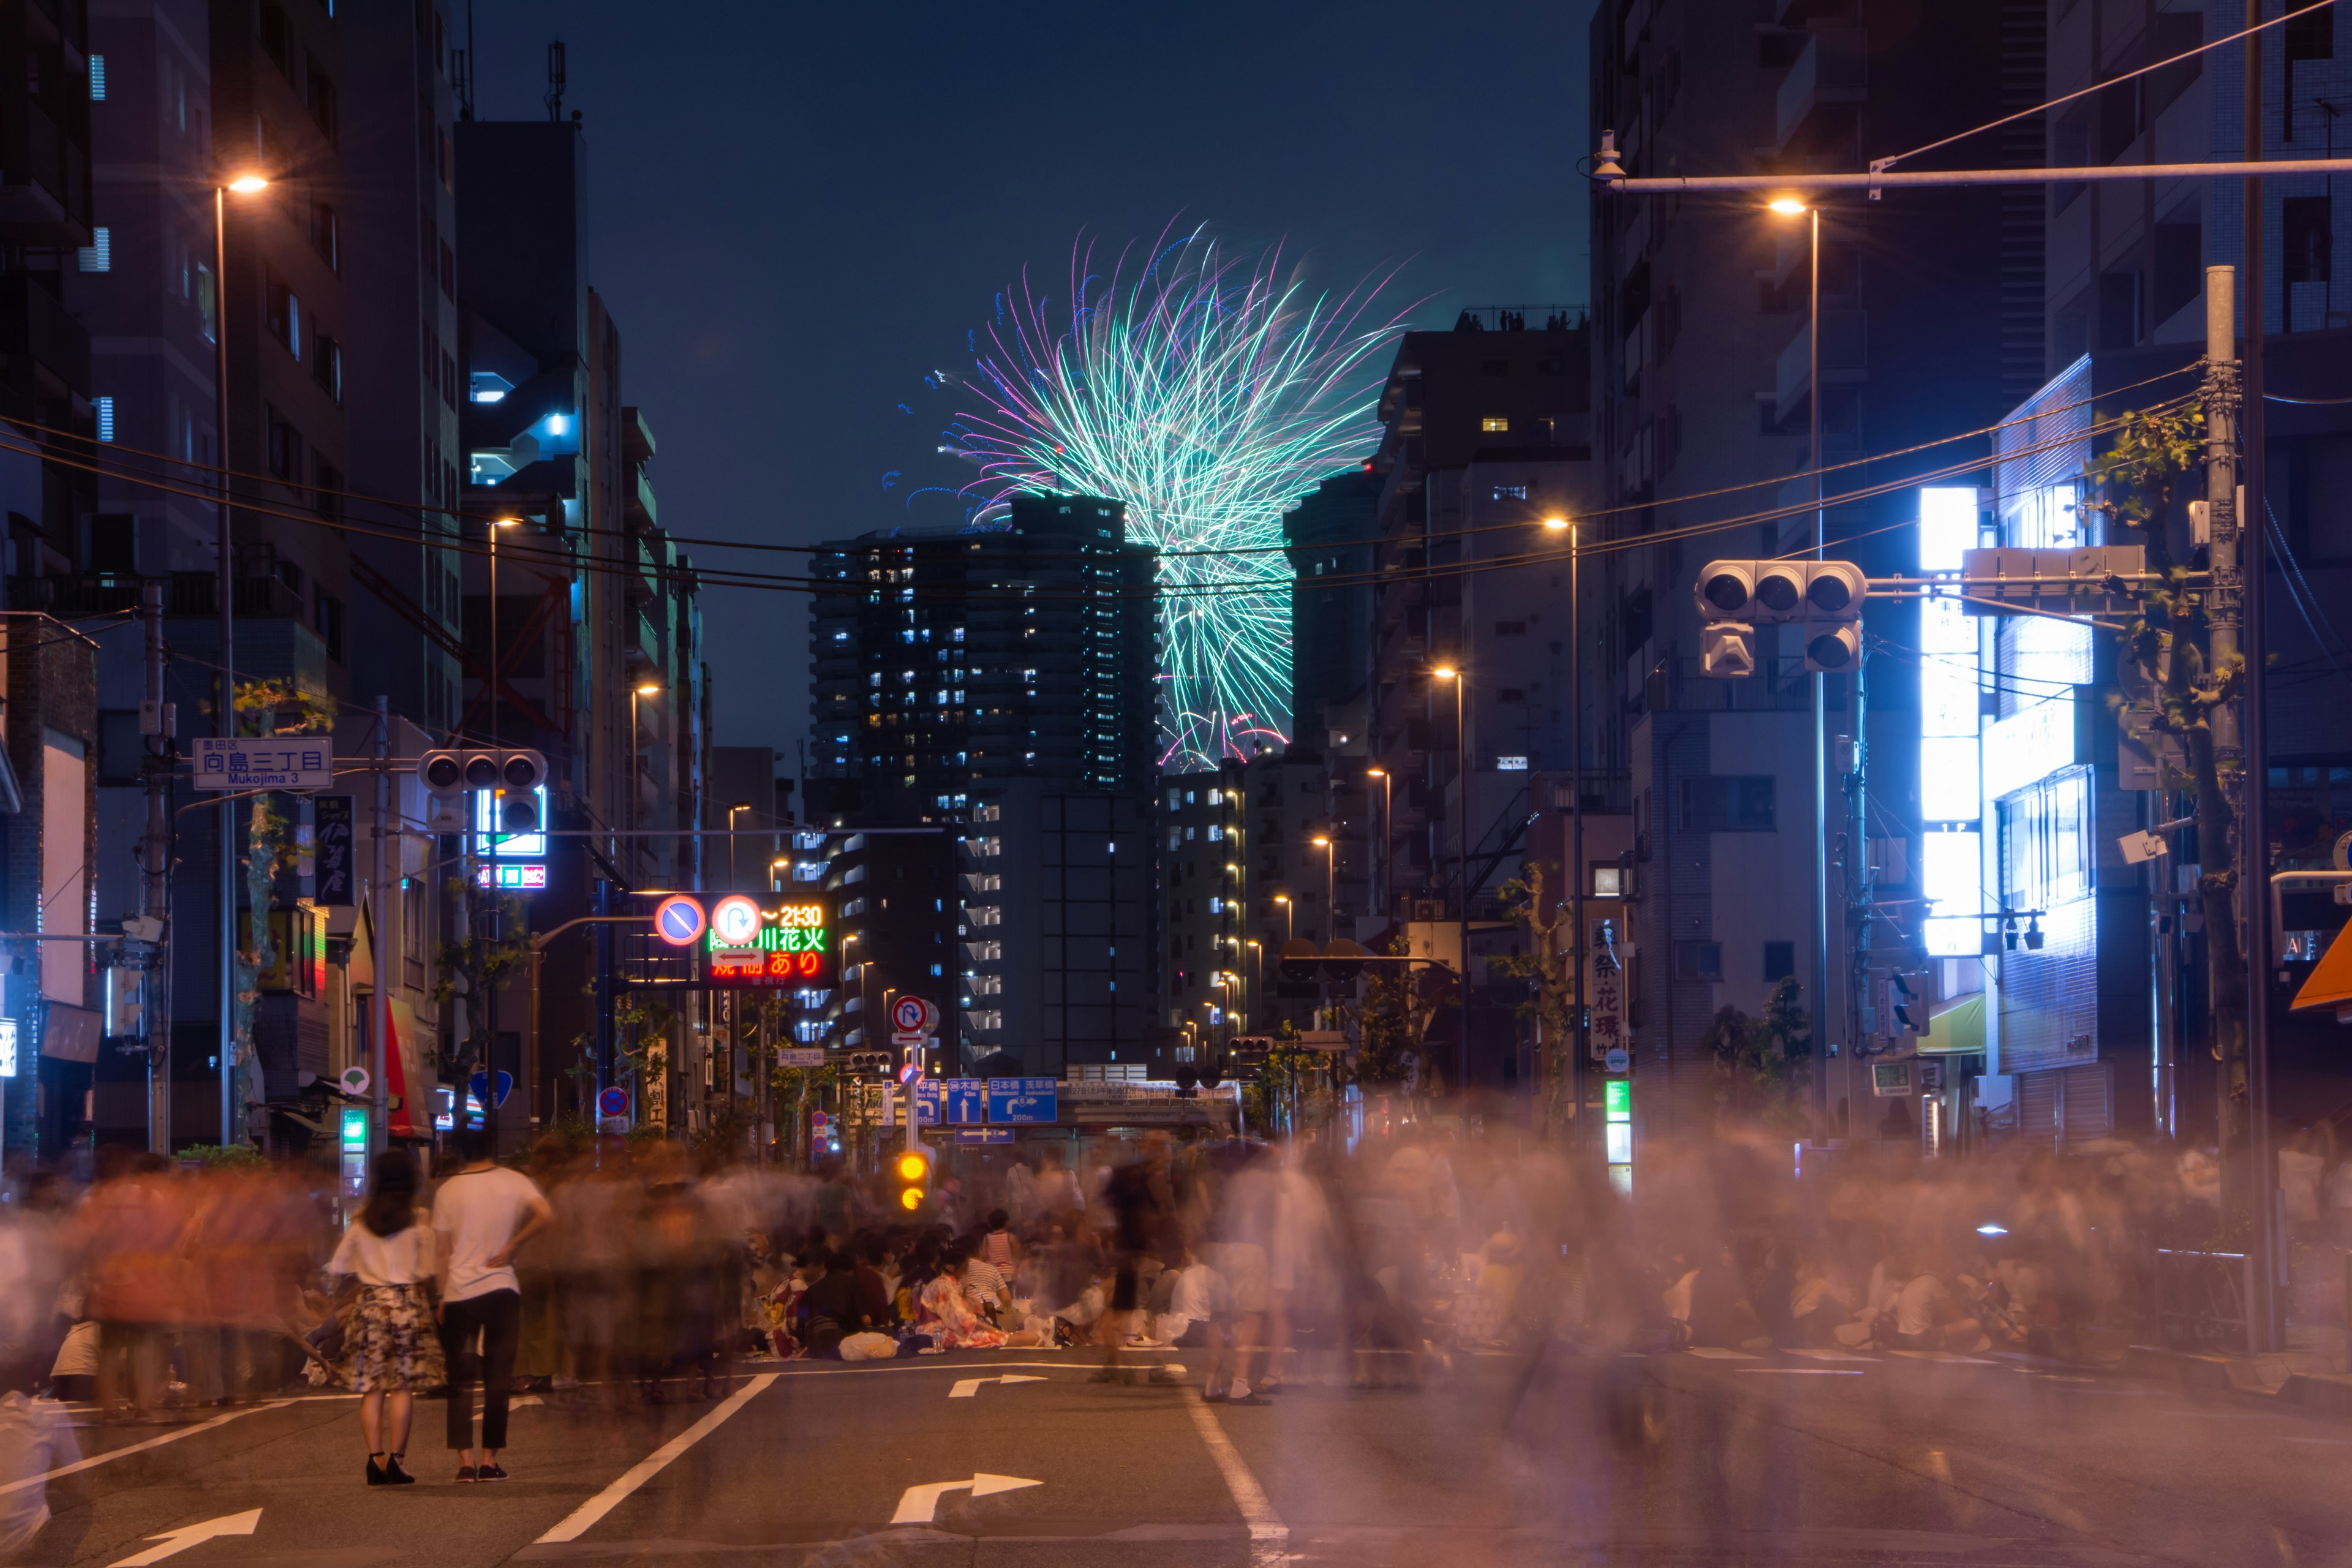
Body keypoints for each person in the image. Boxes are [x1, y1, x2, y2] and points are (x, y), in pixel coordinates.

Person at [432, 1128, 553, 1482]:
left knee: (459, 1379)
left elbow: (441, 1250)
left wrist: (441, 1295)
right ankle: (489, 1461)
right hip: (501, 1289)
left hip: (457, 1292)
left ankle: (464, 1464)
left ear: (459, 1154)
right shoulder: (515, 1181)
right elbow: (546, 1215)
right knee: (498, 1378)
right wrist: (513, 1245)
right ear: (493, 1149)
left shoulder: (447, 1190)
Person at [328, 1151, 432, 1486]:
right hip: (406, 1303)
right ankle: (398, 1462)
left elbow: (338, 1266)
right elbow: (427, 1268)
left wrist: (367, 1266)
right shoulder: (420, 1218)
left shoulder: (361, 1220)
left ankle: (376, 1460)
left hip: (371, 1304)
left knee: (372, 1389)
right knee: (401, 1387)